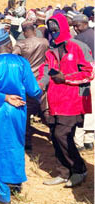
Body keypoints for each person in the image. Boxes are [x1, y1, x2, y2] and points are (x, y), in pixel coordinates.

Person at [0, 28, 42, 204]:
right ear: (9, 44)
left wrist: (2, 97)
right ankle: (14, 184)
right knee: (15, 145)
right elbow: (33, 90)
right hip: (17, 110)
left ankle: (2, 193)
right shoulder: (21, 63)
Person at [39, 13, 94, 188]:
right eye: (51, 30)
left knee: (61, 135)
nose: (53, 33)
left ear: (63, 27)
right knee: (55, 137)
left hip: (73, 101)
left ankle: (79, 169)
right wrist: (40, 83)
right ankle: (63, 172)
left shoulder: (78, 47)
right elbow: (46, 71)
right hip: (54, 101)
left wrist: (67, 78)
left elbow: (89, 73)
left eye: (56, 29)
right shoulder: (50, 50)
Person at [13, 22, 49, 151]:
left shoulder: (21, 44)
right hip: (42, 80)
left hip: (27, 82)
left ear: (23, 32)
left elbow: (13, 57)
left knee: (26, 113)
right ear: (34, 29)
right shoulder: (44, 42)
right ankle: (53, 135)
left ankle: (27, 142)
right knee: (45, 109)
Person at [72, 14, 95, 151]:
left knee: (82, 106)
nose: (75, 28)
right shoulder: (93, 34)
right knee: (92, 108)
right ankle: (89, 140)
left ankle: (78, 141)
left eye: (77, 25)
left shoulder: (79, 39)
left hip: (86, 74)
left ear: (85, 24)